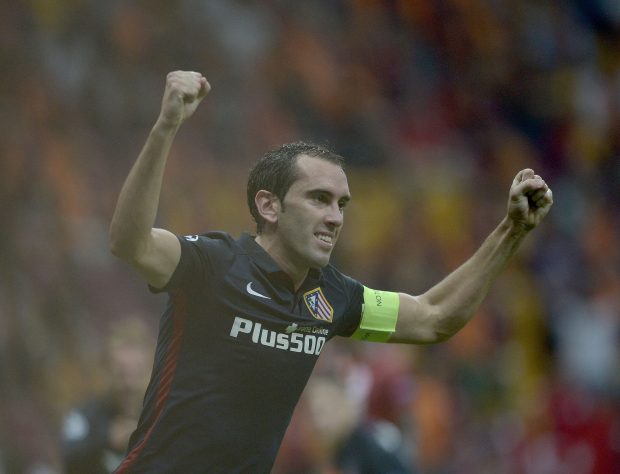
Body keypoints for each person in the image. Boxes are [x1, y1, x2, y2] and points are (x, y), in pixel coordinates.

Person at [108, 71, 553, 473]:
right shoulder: (213, 263)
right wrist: (165, 128)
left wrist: (511, 231)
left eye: (341, 204)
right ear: (269, 206)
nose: (335, 217)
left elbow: (434, 316)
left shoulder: (333, 297)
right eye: (318, 199)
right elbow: (131, 242)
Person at [60, 317, 154, 474]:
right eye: (121, 373)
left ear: (153, 371)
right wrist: (106, 438)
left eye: (138, 373)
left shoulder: (164, 417)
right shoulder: (83, 417)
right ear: (106, 371)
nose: (129, 384)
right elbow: (68, 458)